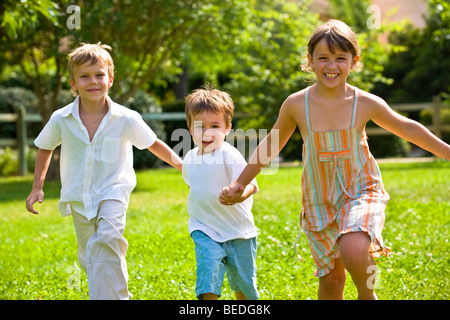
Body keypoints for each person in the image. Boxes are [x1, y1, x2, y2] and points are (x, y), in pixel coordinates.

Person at [220, 19, 450, 300]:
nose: (332, 66)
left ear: (354, 61)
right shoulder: (296, 104)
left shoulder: (364, 103)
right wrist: (240, 183)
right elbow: (271, 145)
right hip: (319, 201)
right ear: (310, 61)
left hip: (361, 191)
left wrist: (447, 151)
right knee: (331, 281)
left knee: (354, 248)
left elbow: (407, 128)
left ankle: (369, 294)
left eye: (341, 58)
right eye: (323, 58)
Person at [25, 42, 182, 300]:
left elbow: (152, 143)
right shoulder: (61, 118)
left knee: (108, 238)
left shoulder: (126, 118)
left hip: (113, 191)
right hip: (78, 195)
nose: (93, 81)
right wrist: (37, 187)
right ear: (73, 83)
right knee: (91, 257)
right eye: (84, 76)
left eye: (99, 75)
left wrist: (181, 165)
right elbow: (44, 148)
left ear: (110, 79)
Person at [182, 85, 260, 300]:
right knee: (207, 278)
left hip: (238, 231)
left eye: (215, 126)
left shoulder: (230, 155)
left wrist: (240, 194)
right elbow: (194, 186)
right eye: (200, 126)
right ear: (189, 129)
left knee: (243, 285)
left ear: (227, 128)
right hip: (204, 228)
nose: (207, 132)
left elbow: (252, 185)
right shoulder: (189, 159)